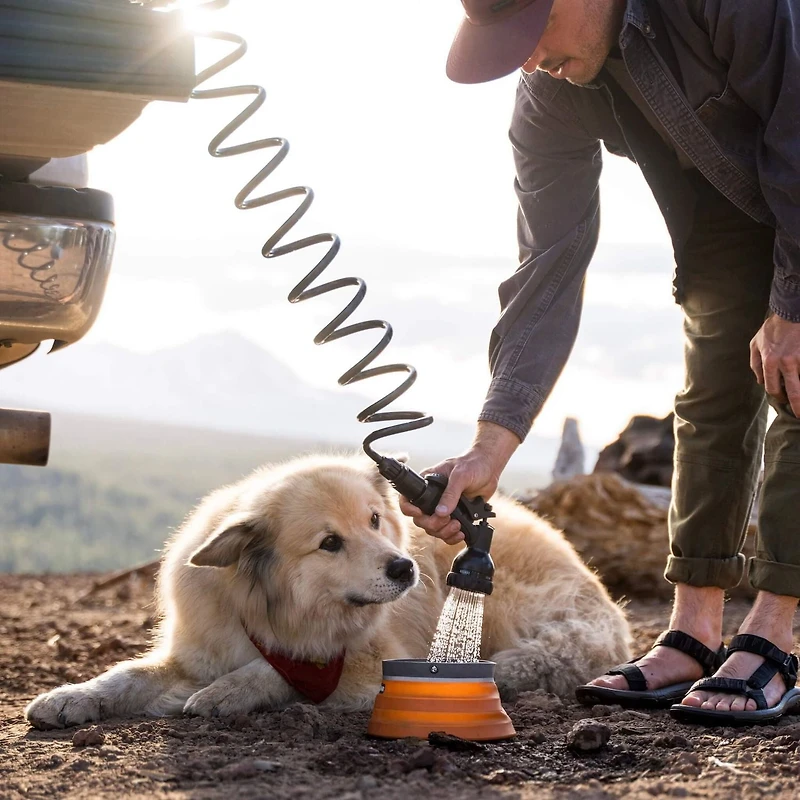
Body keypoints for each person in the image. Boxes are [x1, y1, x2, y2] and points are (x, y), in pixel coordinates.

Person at [399, 0, 800, 724]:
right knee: (708, 396)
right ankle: (694, 631)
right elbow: (546, 270)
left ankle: (775, 633)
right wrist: (490, 447)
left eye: (530, 33)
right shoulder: (550, 92)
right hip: (729, 209)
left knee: (797, 379)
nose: (526, 60)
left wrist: (794, 304)